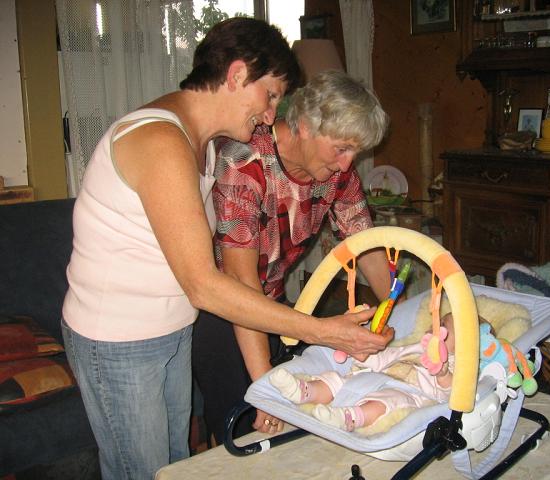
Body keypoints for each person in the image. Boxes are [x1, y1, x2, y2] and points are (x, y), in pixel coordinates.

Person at [60, 18, 392, 480]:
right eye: (271, 95)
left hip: (170, 328)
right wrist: (322, 331)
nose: (272, 113)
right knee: (141, 470)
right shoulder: (161, 141)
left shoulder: (205, 145)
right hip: (118, 339)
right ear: (238, 76)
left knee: (171, 464)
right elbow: (206, 284)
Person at [192, 70, 393, 443]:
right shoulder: (244, 161)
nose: (348, 165)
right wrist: (264, 385)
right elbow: (240, 282)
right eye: (341, 149)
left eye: (355, 152)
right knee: (241, 436)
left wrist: (406, 311)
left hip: (274, 305)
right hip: (221, 314)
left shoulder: (336, 173)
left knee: (299, 426)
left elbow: (366, 244)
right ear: (303, 126)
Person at [269, 312, 459, 431]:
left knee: (388, 401)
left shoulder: (454, 366)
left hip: (407, 392)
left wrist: (443, 375)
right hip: (374, 378)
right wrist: (363, 354)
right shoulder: (416, 346)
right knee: (337, 379)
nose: (436, 327)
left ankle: (349, 417)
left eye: (443, 326)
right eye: (438, 321)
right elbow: (389, 356)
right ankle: (304, 391)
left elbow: (447, 396)